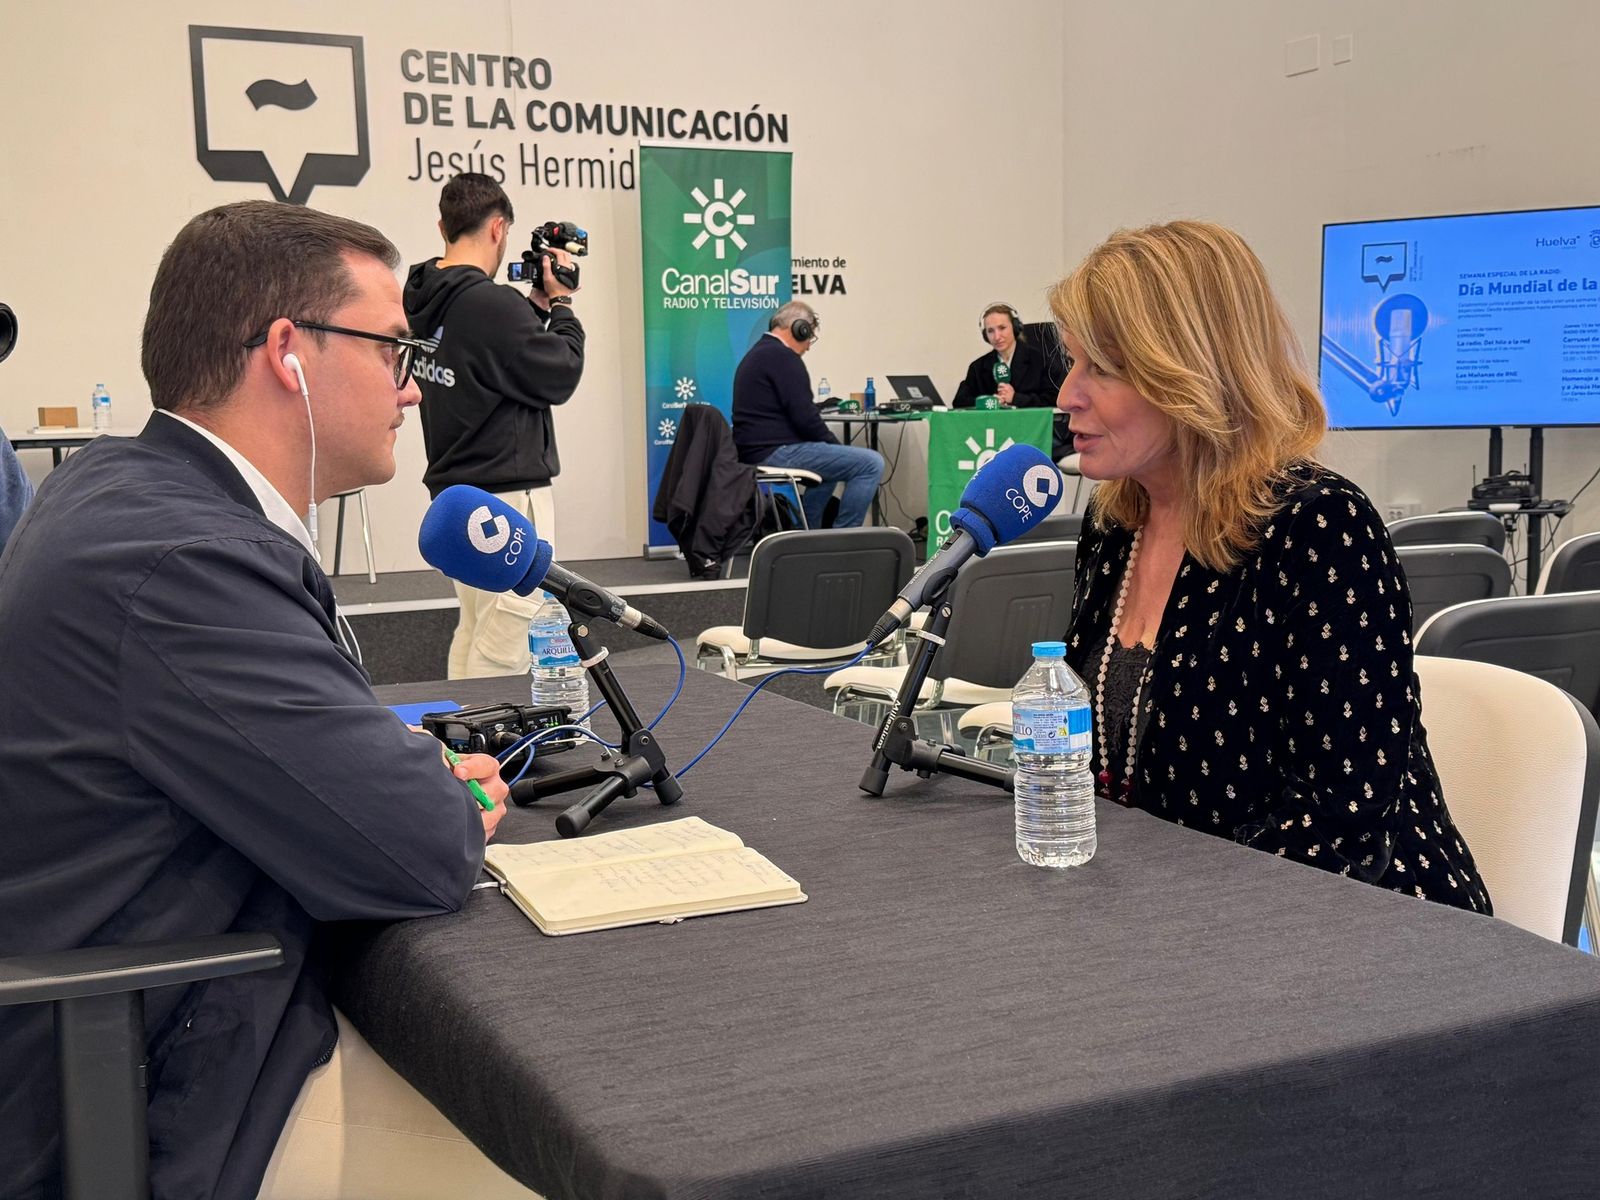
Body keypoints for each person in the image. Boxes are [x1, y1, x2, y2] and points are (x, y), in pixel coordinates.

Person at [0, 201, 516, 1200]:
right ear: (289, 351)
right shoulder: (187, 562)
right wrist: (456, 796)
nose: (411, 391)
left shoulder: (121, 489)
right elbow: (418, 849)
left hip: (125, 1015)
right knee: (549, 1147)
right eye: (392, 350)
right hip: (136, 1082)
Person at [1051, 220, 1490, 913]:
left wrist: (1166, 923)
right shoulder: (1115, 524)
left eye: (1101, 368)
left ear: (1188, 371)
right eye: (1073, 362)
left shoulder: (1319, 528)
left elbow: (1344, 822)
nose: (1066, 395)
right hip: (1168, 912)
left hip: (1371, 931)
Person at [405, 172, 584, 678]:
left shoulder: (425, 296)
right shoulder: (491, 303)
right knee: (513, 622)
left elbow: (488, 359)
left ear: (443, 226)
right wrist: (564, 305)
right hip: (507, 494)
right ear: (499, 228)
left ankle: (459, 737)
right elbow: (560, 372)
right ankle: (491, 740)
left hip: (455, 489)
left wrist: (534, 307)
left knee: (477, 620)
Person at [731, 301, 884, 529]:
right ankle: (846, 538)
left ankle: (806, 536)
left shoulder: (761, 352)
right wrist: (835, 446)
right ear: (798, 328)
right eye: (809, 335)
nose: (809, 345)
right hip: (774, 452)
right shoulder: (782, 357)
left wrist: (832, 450)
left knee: (828, 471)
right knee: (871, 463)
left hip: (756, 451)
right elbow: (805, 418)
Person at [951, 302, 1054, 410]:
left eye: (1002, 328)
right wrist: (987, 401)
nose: (997, 336)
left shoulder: (1039, 360)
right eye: (990, 331)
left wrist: (1016, 398)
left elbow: (1054, 398)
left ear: (1015, 327)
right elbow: (959, 401)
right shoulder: (977, 367)